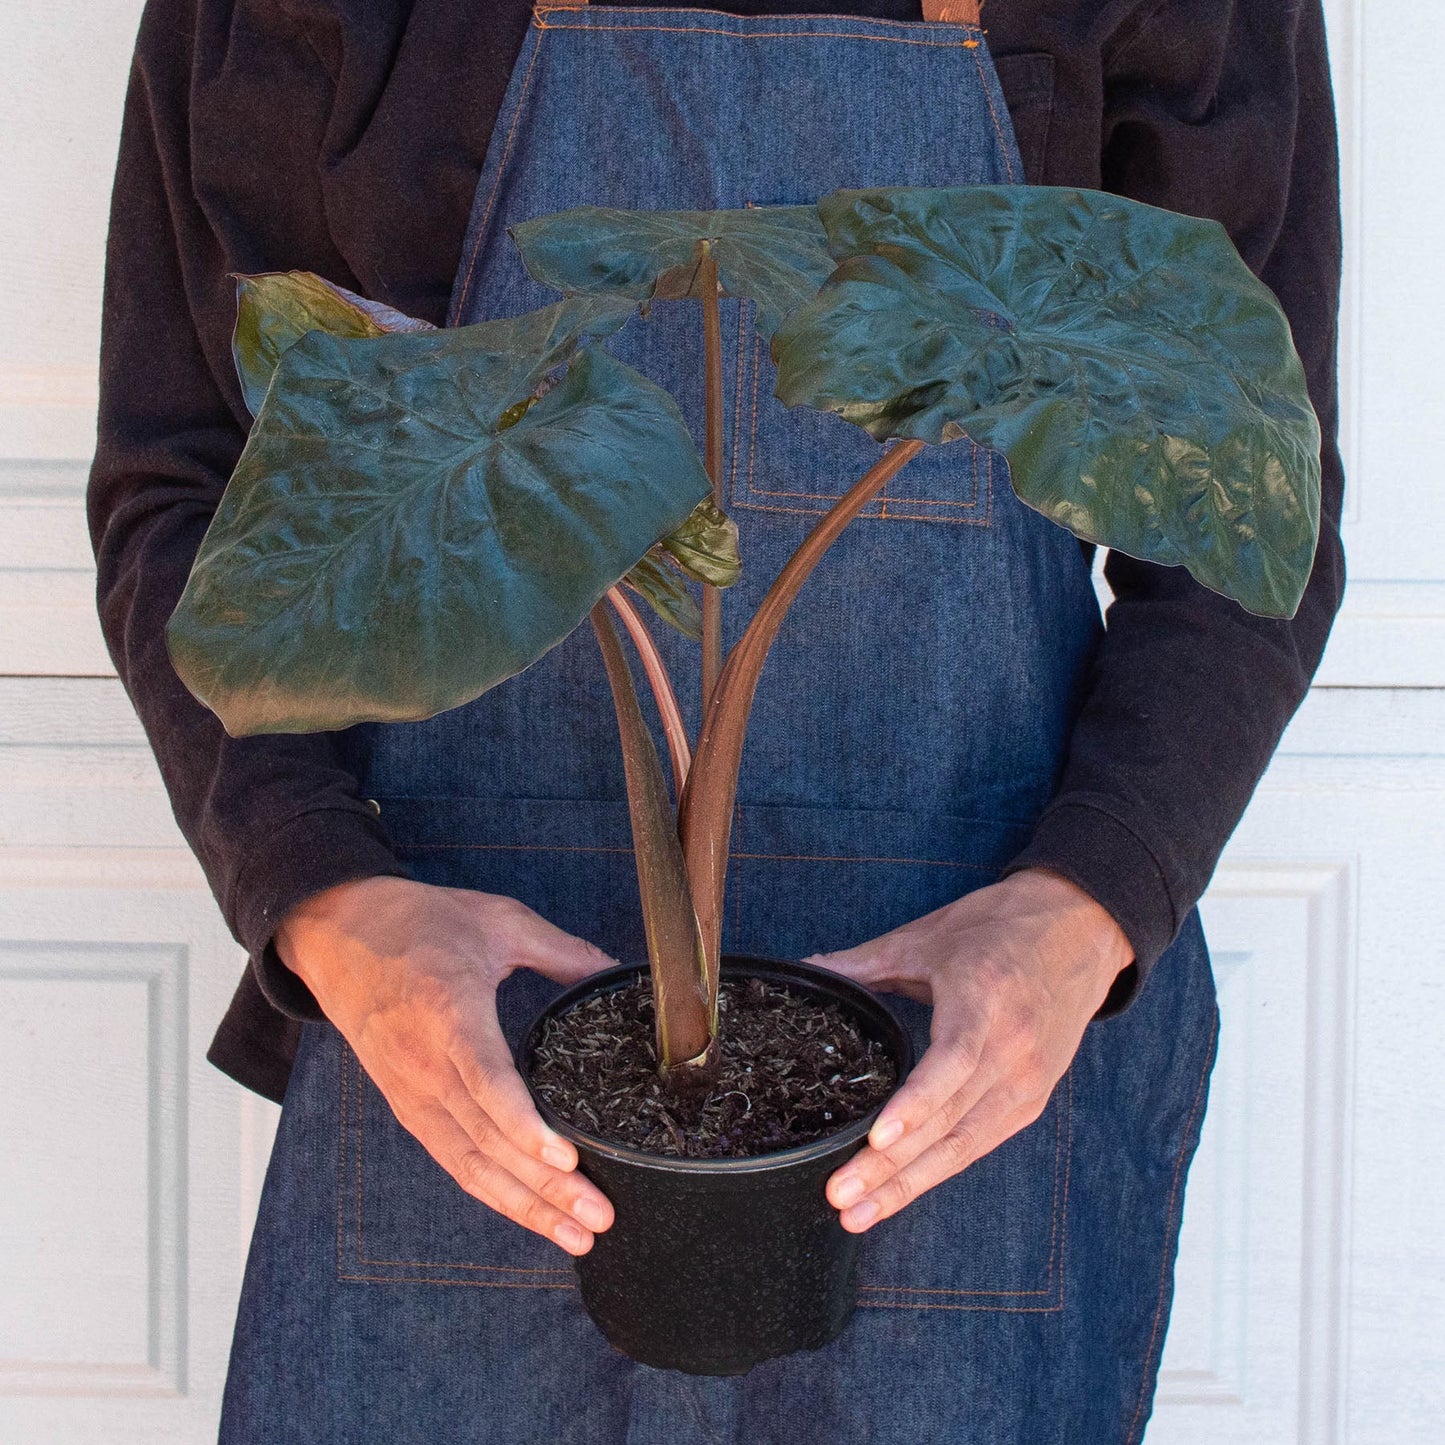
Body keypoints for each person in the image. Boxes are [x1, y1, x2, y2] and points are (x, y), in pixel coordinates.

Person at [88, 0, 1345, 1440]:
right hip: (464, 1061)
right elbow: (186, 479)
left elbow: (1251, 489)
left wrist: (1083, 905)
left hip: (964, 1078)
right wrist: (321, 893)